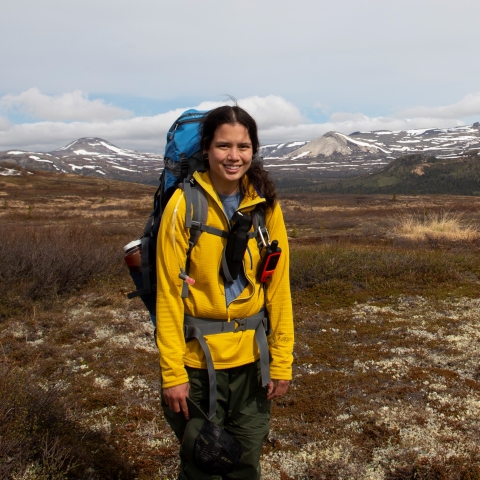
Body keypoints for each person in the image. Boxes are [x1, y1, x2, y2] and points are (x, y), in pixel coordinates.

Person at [156, 105, 294, 480]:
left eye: (243, 146)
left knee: (246, 464)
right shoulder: (184, 205)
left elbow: (278, 289)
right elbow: (168, 295)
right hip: (197, 365)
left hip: (252, 363)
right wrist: (173, 374)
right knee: (200, 465)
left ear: (254, 149)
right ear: (206, 149)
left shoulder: (266, 206)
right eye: (223, 146)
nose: (234, 156)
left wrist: (281, 360)